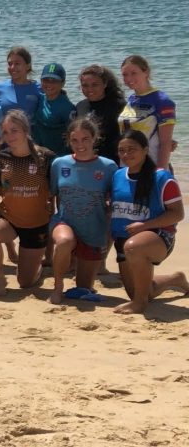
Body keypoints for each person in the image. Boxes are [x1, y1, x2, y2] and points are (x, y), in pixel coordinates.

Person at [111, 130, 188, 314]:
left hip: (159, 237)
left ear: (145, 150)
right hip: (124, 239)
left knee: (133, 249)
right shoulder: (118, 175)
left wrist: (145, 226)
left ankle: (140, 304)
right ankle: (175, 279)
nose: (126, 154)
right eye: (122, 150)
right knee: (145, 291)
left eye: (132, 149)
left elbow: (177, 214)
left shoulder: (162, 178)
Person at [0, 110, 56, 293]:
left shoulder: (47, 158)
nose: (10, 136)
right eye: (5, 132)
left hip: (36, 225)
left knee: (25, 282)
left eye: (14, 130)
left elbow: (54, 193)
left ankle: (37, 267)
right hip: (9, 220)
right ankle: (0, 280)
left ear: (25, 130)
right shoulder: (1, 158)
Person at [48, 118, 118, 304]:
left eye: (85, 139)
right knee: (64, 241)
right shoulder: (59, 164)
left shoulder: (108, 166)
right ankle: (57, 287)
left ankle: (80, 275)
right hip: (64, 222)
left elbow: (115, 202)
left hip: (93, 230)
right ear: (68, 141)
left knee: (83, 288)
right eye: (75, 140)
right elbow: (52, 196)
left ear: (95, 138)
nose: (80, 145)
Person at [118, 54, 176, 170]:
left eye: (134, 73)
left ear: (146, 72)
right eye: (125, 75)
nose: (128, 78)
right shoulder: (131, 100)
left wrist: (160, 172)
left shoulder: (162, 101)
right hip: (127, 167)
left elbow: (166, 142)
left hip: (151, 167)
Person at [74, 64, 126, 163]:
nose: (90, 89)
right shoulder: (80, 106)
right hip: (86, 162)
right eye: (85, 85)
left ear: (105, 84)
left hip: (112, 163)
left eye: (95, 85)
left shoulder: (119, 106)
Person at [32, 63, 75, 156]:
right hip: (38, 153)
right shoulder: (40, 98)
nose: (49, 84)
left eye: (54, 81)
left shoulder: (67, 107)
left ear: (63, 83)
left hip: (57, 156)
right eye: (46, 80)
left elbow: (73, 136)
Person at [0, 46, 42, 115]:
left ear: (28, 66)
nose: (12, 67)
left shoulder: (39, 89)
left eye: (17, 63)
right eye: (10, 64)